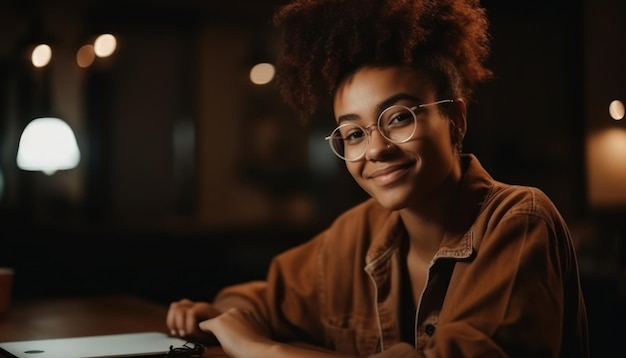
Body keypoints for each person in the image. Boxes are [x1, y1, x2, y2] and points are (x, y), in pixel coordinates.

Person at [166, 0, 590, 356]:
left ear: (455, 120)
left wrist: (265, 351)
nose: (375, 149)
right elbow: (253, 301)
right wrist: (212, 315)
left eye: (399, 117)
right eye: (353, 133)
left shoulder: (518, 221)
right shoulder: (355, 234)